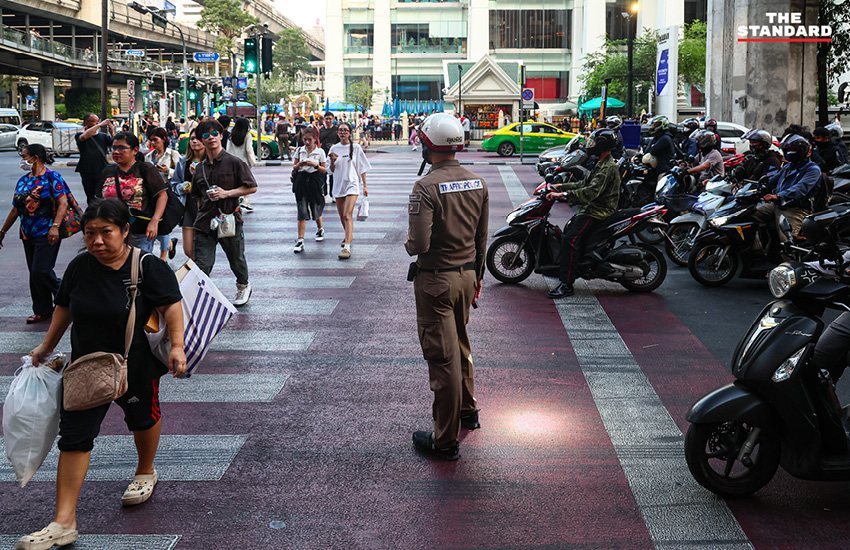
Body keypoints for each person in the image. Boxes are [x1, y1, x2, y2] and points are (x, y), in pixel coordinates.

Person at [15, 198, 186, 550]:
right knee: (74, 438)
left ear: (125, 231)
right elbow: (64, 307)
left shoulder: (147, 266)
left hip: (134, 365)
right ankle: (64, 522)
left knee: (142, 418)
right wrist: (46, 347)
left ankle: (145, 470)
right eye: (89, 233)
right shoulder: (80, 267)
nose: (96, 241)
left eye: (105, 233)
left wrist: (177, 346)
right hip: (87, 367)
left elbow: (171, 305)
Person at [405, 113, 488, 461]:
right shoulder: (476, 181)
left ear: (427, 146)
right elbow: (482, 237)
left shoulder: (426, 187)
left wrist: (409, 243)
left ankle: (445, 440)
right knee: (461, 343)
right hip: (468, 276)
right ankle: (468, 410)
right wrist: (478, 276)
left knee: (443, 358)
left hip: (436, 279)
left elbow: (419, 244)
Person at [546, 129, 621, 299]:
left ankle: (566, 284)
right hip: (591, 208)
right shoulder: (601, 163)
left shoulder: (608, 167)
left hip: (598, 211)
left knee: (570, 239)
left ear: (601, 144)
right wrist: (562, 187)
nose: (591, 145)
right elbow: (584, 183)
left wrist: (563, 195)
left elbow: (590, 192)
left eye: (594, 142)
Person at [0, 144, 69, 324]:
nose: (23, 161)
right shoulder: (23, 180)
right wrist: (3, 231)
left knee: (42, 270)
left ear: (35, 158)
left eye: (25, 157)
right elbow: (16, 209)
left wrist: (55, 226)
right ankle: (43, 309)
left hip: (47, 231)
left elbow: (63, 203)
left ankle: (68, 295)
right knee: (35, 273)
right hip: (27, 233)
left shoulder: (52, 177)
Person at [191, 118, 257, 306]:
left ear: (221, 135)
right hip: (205, 222)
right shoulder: (199, 168)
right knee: (202, 263)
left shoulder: (234, 162)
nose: (210, 138)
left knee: (236, 259)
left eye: (214, 134)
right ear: (201, 140)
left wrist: (227, 193)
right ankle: (199, 295)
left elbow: (251, 187)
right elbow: (197, 195)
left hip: (229, 219)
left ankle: (243, 285)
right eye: (205, 135)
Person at [100, 132, 168, 254]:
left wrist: (154, 221)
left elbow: (162, 195)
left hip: (139, 230)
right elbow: (99, 200)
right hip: (112, 229)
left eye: (121, 148)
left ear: (135, 150)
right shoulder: (107, 171)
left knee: (137, 265)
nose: (116, 152)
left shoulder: (145, 169)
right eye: (113, 148)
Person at [753, 134, 824, 240]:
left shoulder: (812, 169)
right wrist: (756, 188)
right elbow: (772, 180)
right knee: (749, 215)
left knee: (786, 243)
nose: (790, 153)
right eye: (788, 150)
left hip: (795, 209)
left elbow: (800, 188)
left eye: (793, 150)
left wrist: (777, 196)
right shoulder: (788, 166)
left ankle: (791, 256)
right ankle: (757, 250)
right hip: (777, 205)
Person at [329, 122, 371, 259]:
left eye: (345, 130)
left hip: (352, 185)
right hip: (338, 185)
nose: (343, 133)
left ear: (350, 133)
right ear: (337, 132)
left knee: (347, 215)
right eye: (340, 130)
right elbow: (330, 171)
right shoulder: (334, 149)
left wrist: (365, 185)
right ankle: (348, 235)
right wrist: (333, 162)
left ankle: (347, 247)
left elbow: (362, 167)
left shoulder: (356, 147)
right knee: (342, 216)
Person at [144, 128, 181, 260]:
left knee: (163, 226)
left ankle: (163, 257)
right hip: (152, 195)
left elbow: (180, 174)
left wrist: (168, 171)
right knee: (154, 224)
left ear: (163, 139)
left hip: (167, 194)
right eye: (151, 140)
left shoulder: (173, 154)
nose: (153, 143)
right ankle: (170, 244)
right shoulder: (148, 156)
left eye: (155, 140)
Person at [291, 126, 326, 253]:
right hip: (301, 180)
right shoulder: (300, 150)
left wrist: (314, 165)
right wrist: (299, 165)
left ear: (315, 139)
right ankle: (300, 240)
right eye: (305, 139)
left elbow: (324, 169)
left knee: (315, 207)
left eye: (309, 140)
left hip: (315, 180)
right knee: (301, 208)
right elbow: (294, 167)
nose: (307, 142)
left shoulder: (320, 152)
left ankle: (320, 228)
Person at [171, 128, 205, 260]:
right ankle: (199, 274)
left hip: (205, 208)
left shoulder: (210, 162)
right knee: (188, 249)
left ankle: (201, 275)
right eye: (192, 139)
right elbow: (175, 184)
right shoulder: (183, 161)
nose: (195, 141)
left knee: (203, 248)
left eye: (198, 138)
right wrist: (183, 188)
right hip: (188, 207)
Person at [75, 113, 114, 204]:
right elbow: (84, 137)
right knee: (90, 195)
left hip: (102, 169)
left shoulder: (103, 136)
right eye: (93, 121)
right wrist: (100, 125)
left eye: (97, 121)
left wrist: (112, 132)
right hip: (87, 170)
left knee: (102, 194)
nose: (96, 123)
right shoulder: (79, 135)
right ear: (86, 123)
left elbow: (115, 143)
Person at [646, 115, 676, 181]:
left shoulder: (665, 138)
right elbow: (647, 150)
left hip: (664, 170)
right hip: (658, 169)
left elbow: (653, 151)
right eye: (653, 125)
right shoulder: (657, 137)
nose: (653, 126)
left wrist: (653, 147)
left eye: (656, 124)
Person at [319, 112, 340, 199]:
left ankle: (333, 194)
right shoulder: (320, 131)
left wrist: (334, 146)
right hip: (323, 156)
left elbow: (340, 143)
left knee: (333, 176)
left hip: (333, 156)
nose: (328, 120)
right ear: (324, 120)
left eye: (330, 119)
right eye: (326, 119)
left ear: (333, 120)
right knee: (323, 175)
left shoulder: (336, 131)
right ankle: (324, 193)